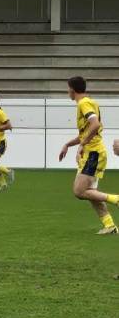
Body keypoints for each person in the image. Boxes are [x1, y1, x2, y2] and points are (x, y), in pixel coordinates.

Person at [58, 76, 119, 235]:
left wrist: (82, 145)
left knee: (79, 191)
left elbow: (95, 125)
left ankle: (116, 199)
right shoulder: (89, 102)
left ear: (72, 89)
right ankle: (110, 225)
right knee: (90, 193)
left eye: (68, 88)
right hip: (92, 152)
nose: (67, 92)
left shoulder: (84, 103)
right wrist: (68, 145)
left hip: (93, 153)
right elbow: (88, 132)